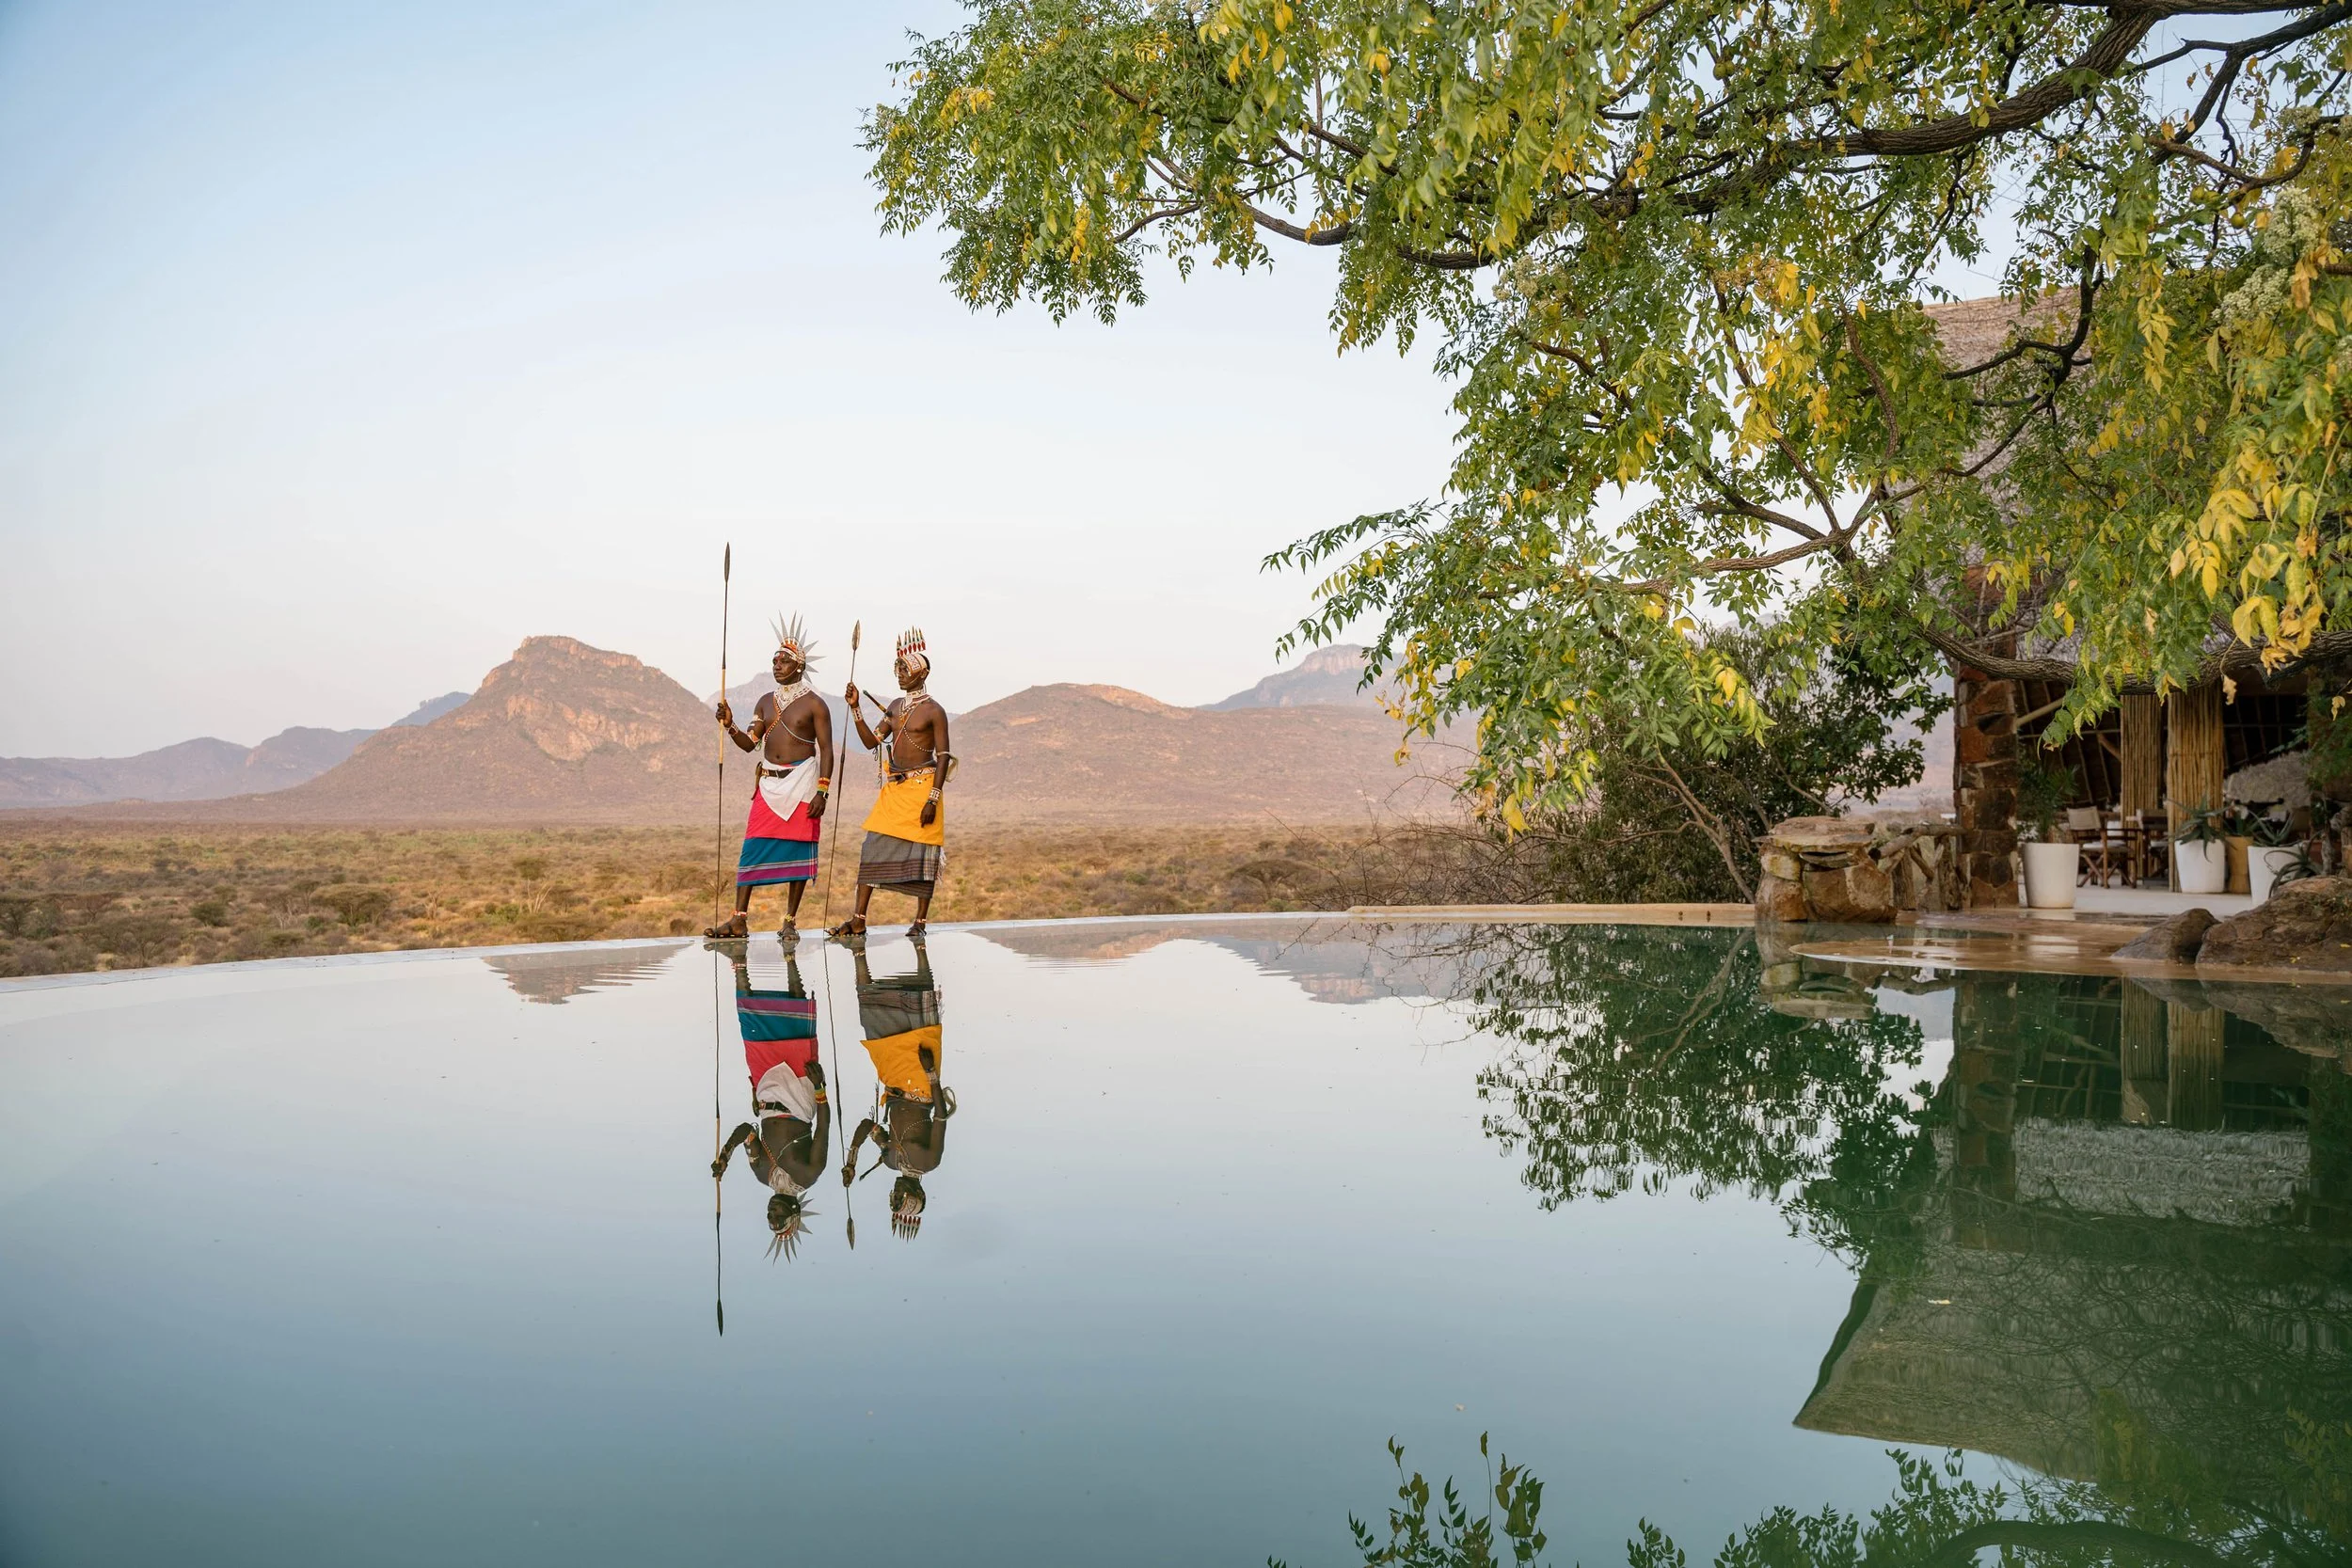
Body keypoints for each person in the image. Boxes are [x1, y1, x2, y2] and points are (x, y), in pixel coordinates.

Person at [707, 614, 834, 942]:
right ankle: (739, 920)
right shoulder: (765, 702)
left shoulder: (815, 705)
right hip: (768, 784)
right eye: (775, 660)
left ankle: (790, 921)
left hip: (804, 784)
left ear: (800, 666)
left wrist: (823, 792)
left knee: (799, 852)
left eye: (785, 661)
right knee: (751, 849)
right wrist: (730, 725)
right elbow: (750, 744)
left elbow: (827, 750)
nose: (777, 665)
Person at [708, 942, 831, 1259]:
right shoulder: (808, 1175)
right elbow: (825, 1127)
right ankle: (790, 958)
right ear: (793, 1211)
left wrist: (725, 1154)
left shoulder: (762, 1174)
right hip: (799, 1093)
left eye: (768, 1219)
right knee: (796, 1022)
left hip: (765, 1091)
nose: (770, 1215)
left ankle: (738, 963)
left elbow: (748, 1132)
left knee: (751, 1025)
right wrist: (820, 1087)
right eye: (778, 1218)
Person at [832, 626, 950, 942]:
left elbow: (945, 756)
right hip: (894, 792)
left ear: (921, 674)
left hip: (923, 789)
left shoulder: (934, 711)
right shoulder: (896, 706)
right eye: (896, 669)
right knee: (871, 849)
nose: (899, 675)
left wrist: (933, 800)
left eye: (904, 670)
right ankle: (858, 919)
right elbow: (872, 741)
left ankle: (920, 921)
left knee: (924, 855)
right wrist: (856, 708)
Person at [842, 940, 952, 1239]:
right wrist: (931, 1075)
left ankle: (858, 954)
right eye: (897, 1201)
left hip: (892, 1081)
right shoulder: (929, 1163)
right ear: (913, 1198)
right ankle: (920, 950)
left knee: (872, 1019)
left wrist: (851, 1160)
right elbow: (941, 1117)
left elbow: (868, 1126)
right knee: (919, 1022)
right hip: (920, 1084)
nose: (892, 1197)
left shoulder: (890, 1162)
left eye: (891, 1201)